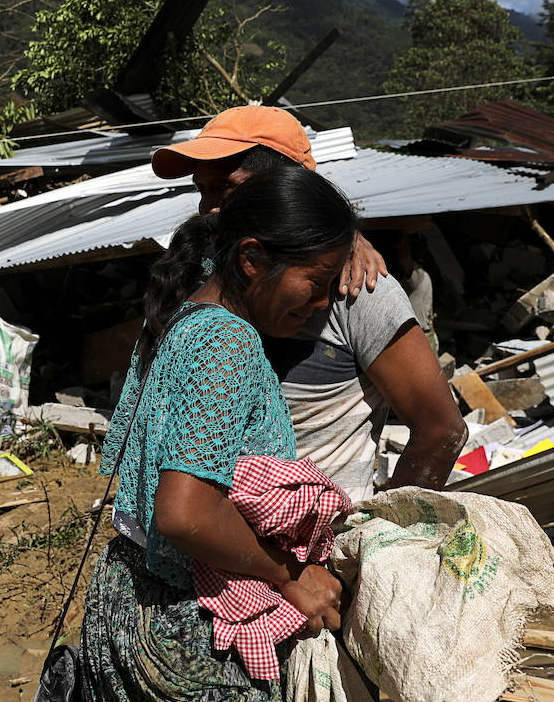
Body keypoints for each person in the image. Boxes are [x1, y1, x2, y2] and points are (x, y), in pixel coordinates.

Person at [81, 166, 358, 700]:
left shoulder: (186, 314)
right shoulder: (225, 344)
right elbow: (186, 516)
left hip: (132, 593)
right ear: (252, 259)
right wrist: (288, 576)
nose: (322, 303)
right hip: (187, 629)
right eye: (317, 282)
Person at [151, 106, 466, 502]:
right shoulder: (200, 278)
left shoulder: (359, 290)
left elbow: (441, 431)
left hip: (316, 551)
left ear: (287, 187)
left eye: (224, 189)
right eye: (203, 190)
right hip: (215, 547)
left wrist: (379, 534)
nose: (207, 209)